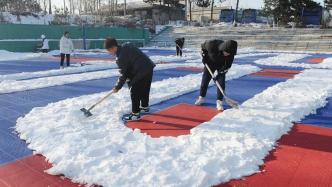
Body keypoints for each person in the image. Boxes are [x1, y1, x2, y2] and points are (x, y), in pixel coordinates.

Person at [104, 38, 156, 121]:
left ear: (113, 48)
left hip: (141, 71)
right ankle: (144, 107)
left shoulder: (120, 58)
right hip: (148, 67)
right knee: (145, 88)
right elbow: (130, 66)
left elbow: (123, 75)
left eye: (109, 51)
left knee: (134, 91)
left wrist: (117, 87)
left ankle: (135, 114)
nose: (110, 53)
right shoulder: (126, 45)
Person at [194, 40, 237, 111]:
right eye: (226, 52)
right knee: (205, 80)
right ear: (223, 48)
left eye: (229, 53)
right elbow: (203, 48)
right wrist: (204, 57)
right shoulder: (211, 44)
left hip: (222, 66)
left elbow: (228, 66)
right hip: (210, 63)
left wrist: (219, 74)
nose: (227, 54)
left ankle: (219, 102)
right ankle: (201, 98)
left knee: (221, 83)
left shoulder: (231, 54)